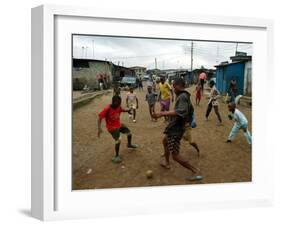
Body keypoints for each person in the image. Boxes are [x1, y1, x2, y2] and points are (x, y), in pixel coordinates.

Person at [153, 77, 203, 181]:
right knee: (165, 141)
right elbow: (181, 111)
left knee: (175, 155)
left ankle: (195, 171)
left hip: (176, 130)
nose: (173, 88)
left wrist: (161, 113)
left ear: (178, 86)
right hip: (175, 127)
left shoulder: (183, 96)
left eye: (174, 86)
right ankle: (167, 163)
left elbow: (181, 112)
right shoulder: (183, 96)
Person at [97, 95, 138, 163]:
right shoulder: (107, 109)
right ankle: (116, 156)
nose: (118, 105)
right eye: (117, 103)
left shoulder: (118, 106)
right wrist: (99, 128)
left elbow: (123, 109)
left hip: (118, 125)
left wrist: (128, 110)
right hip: (111, 128)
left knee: (129, 133)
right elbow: (99, 118)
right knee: (118, 140)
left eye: (119, 103)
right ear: (113, 102)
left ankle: (129, 144)